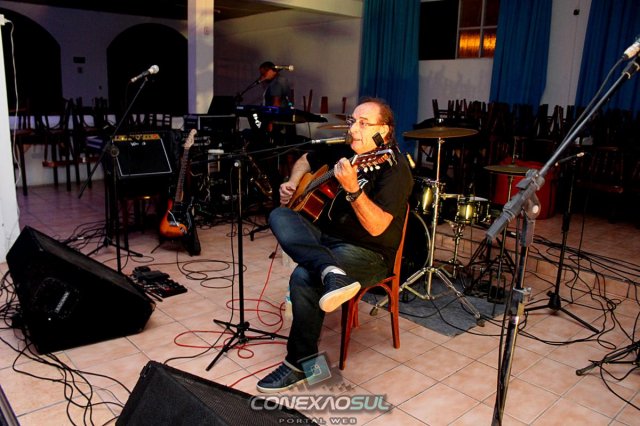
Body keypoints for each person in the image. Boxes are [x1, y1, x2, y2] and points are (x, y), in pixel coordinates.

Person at [256, 98, 413, 393]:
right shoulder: (346, 151)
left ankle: (300, 365)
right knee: (279, 214)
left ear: (384, 130)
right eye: (353, 121)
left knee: (304, 276)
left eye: (364, 123)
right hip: (325, 239)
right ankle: (330, 269)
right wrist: (294, 183)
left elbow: (378, 227)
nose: (353, 129)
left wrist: (353, 189)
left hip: (368, 253)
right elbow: (306, 159)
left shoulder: (395, 169)